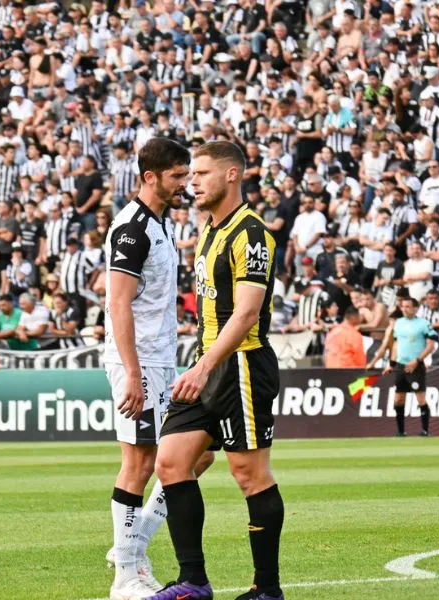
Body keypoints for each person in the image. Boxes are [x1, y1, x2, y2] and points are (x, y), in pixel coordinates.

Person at [150, 141, 283, 600]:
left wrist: (204, 366)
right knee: (170, 462)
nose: (193, 183)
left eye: (202, 174)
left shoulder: (252, 233)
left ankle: (267, 589)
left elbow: (246, 313)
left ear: (231, 175)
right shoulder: (208, 229)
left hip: (241, 365)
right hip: (207, 365)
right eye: (191, 175)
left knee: (250, 475)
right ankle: (194, 582)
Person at [103, 137, 214, 600]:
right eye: (176, 176)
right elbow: (118, 303)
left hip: (163, 360)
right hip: (141, 361)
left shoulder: (161, 224)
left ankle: (131, 545)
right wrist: (131, 372)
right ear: (150, 176)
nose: (185, 184)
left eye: (187, 175)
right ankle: (126, 575)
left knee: (196, 454)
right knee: (141, 461)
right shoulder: (132, 229)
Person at [381, 296, 438, 437]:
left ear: (416, 308)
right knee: (398, 398)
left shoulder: (423, 324)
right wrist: (391, 363)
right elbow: (395, 345)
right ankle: (400, 431)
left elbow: (431, 345)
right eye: (403, 307)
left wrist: (417, 361)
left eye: (408, 307)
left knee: (420, 399)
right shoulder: (398, 323)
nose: (405, 309)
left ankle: (425, 431)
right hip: (401, 365)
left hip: (416, 366)